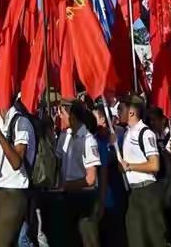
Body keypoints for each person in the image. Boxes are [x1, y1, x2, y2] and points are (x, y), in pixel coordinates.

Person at [0, 97, 36, 247]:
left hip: (15, 191)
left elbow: (16, 163)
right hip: (2, 189)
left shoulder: (21, 123)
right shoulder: (0, 121)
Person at [120, 95, 165, 247]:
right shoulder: (127, 133)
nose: (118, 112)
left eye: (121, 109)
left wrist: (130, 166)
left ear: (131, 112)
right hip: (133, 194)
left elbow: (154, 165)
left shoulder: (145, 133)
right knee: (136, 239)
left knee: (155, 239)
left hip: (148, 192)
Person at [57, 99, 102, 247]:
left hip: (84, 198)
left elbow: (91, 178)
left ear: (72, 117)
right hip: (69, 196)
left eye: (64, 114)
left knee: (89, 241)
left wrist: (67, 185)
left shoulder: (88, 140)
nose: (61, 117)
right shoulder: (67, 137)